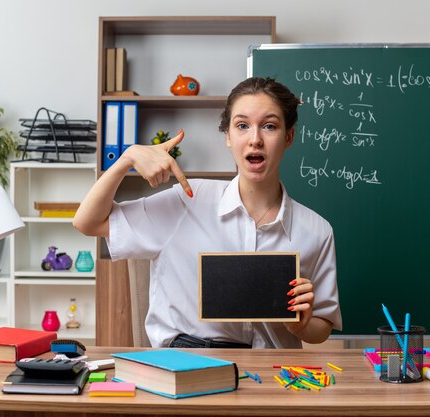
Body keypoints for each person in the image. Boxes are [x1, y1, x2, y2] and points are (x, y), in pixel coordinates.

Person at [73, 77, 341, 348]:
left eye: (269, 126)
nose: (255, 139)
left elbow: (323, 326)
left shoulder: (316, 230)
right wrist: (126, 159)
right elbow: (88, 222)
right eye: (242, 126)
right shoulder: (188, 200)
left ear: (288, 137)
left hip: (270, 371)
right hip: (188, 361)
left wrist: (303, 325)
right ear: (228, 136)